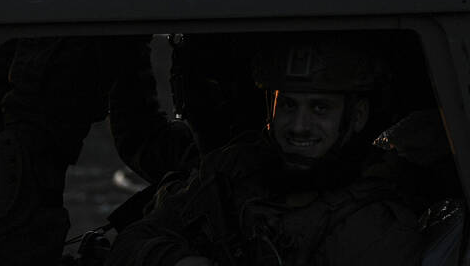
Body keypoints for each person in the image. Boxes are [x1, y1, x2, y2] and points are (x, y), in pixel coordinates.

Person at [105, 34, 427, 266]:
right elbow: (133, 241)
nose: (299, 125)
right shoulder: (234, 171)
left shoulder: (376, 226)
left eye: (319, 109)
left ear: (356, 117)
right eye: (287, 105)